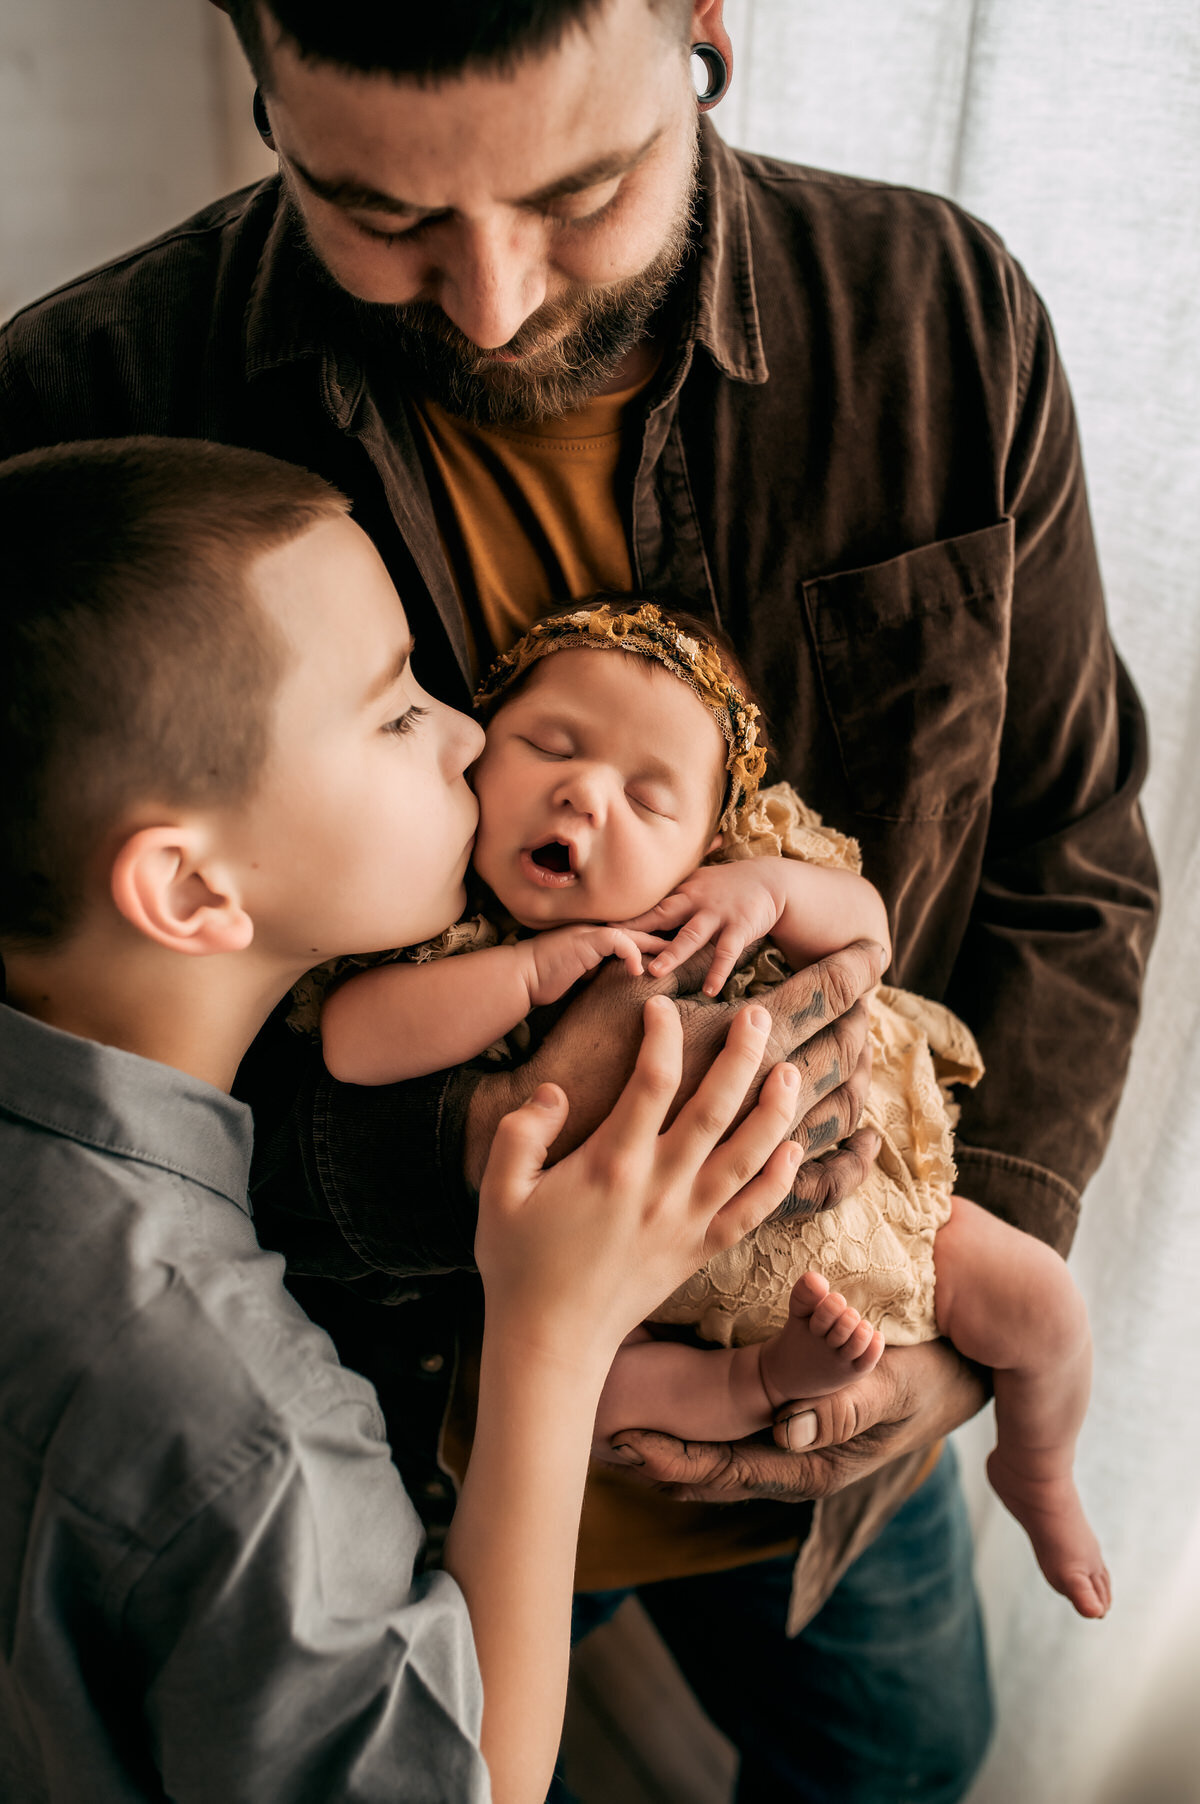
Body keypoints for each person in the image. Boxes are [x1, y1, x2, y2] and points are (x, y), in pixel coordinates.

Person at [0, 2, 1158, 1796]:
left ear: (704, 16)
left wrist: (953, 1310)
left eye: (583, 187)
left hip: (857, 1374)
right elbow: (89, 1058)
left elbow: (1070, 844)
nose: (489, 298)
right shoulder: (85, 412)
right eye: (376, 213)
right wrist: (493, 1143)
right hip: (401, 1436)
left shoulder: (942, 322)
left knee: (910, 1756)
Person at [0, 437, 810, 1804]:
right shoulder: (242, 1426)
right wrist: (553, 1333)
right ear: (193, 892)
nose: (470, 732)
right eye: (395, 713)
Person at [315, 596, 1110, 1621]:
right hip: (642, 1294)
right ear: (476, 747)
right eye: (550, 745)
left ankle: (1040, 1470)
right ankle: (765, 1378)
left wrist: (774, 892)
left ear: (709, 833)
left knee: (1045, 1302)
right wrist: (525, 977)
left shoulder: (734, 877)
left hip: (875, 1216)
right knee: (604, 1406)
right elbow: (352, 1038)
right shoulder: (451, 931)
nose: (587, 795)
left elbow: (867, 930)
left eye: (649, 800)